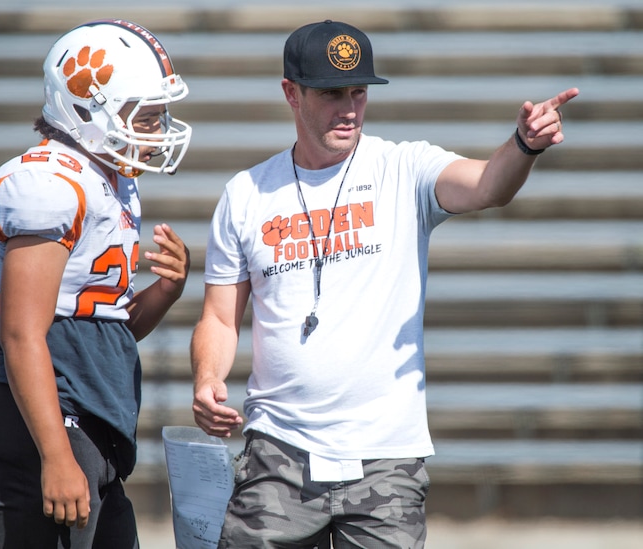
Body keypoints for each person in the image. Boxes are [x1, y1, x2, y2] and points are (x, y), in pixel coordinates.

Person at [190, 19, 579, 549]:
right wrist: (208, 377)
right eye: (330, 93)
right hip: (278, 450)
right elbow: (218, 315)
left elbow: (489, 185)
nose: (348, 108)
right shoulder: (246, 193)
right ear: (291, 93)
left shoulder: (405, 167)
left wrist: (523, 145)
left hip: (386, 459)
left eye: (358, 92)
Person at [0, 19, 192, 548]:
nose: (157, 131)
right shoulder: (48, 184)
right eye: (147, 117)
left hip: (85, 414)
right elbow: (23, 333)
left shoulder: (107, 180)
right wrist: (56, 454)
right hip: (42, 422)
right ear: (88, 109)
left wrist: (164, 292)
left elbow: (106, 328)